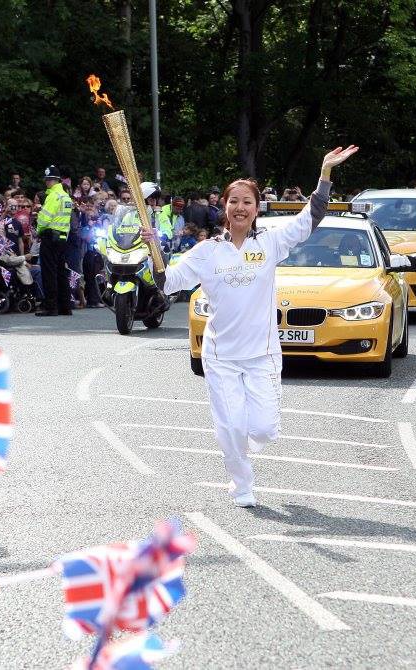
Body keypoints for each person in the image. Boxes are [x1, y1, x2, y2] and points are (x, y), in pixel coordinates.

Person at [144, 144, 358, 507]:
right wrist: (154, 254)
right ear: (224, 208)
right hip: (221, 355)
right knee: (230, 427)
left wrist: (324, 173)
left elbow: (311, 217)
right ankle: (242, 484)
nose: (240, 208)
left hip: (262, 353)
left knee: (263, 429)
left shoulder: (272, 243)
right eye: (233, 202)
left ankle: (247, 441)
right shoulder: (207, 251)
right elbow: (168, 283)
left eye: (247, 202)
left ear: (256, 209)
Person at [34, 165, 74, 316]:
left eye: (48, 180)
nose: (46, 183)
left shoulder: (53, 196)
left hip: (50, 237)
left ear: (53, 180)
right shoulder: (65, 196)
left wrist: (38, 231)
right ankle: (65, 306)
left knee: (49, 272)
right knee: (61, 272)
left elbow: (44, 218)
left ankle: (51, 307)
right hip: (63, 238)